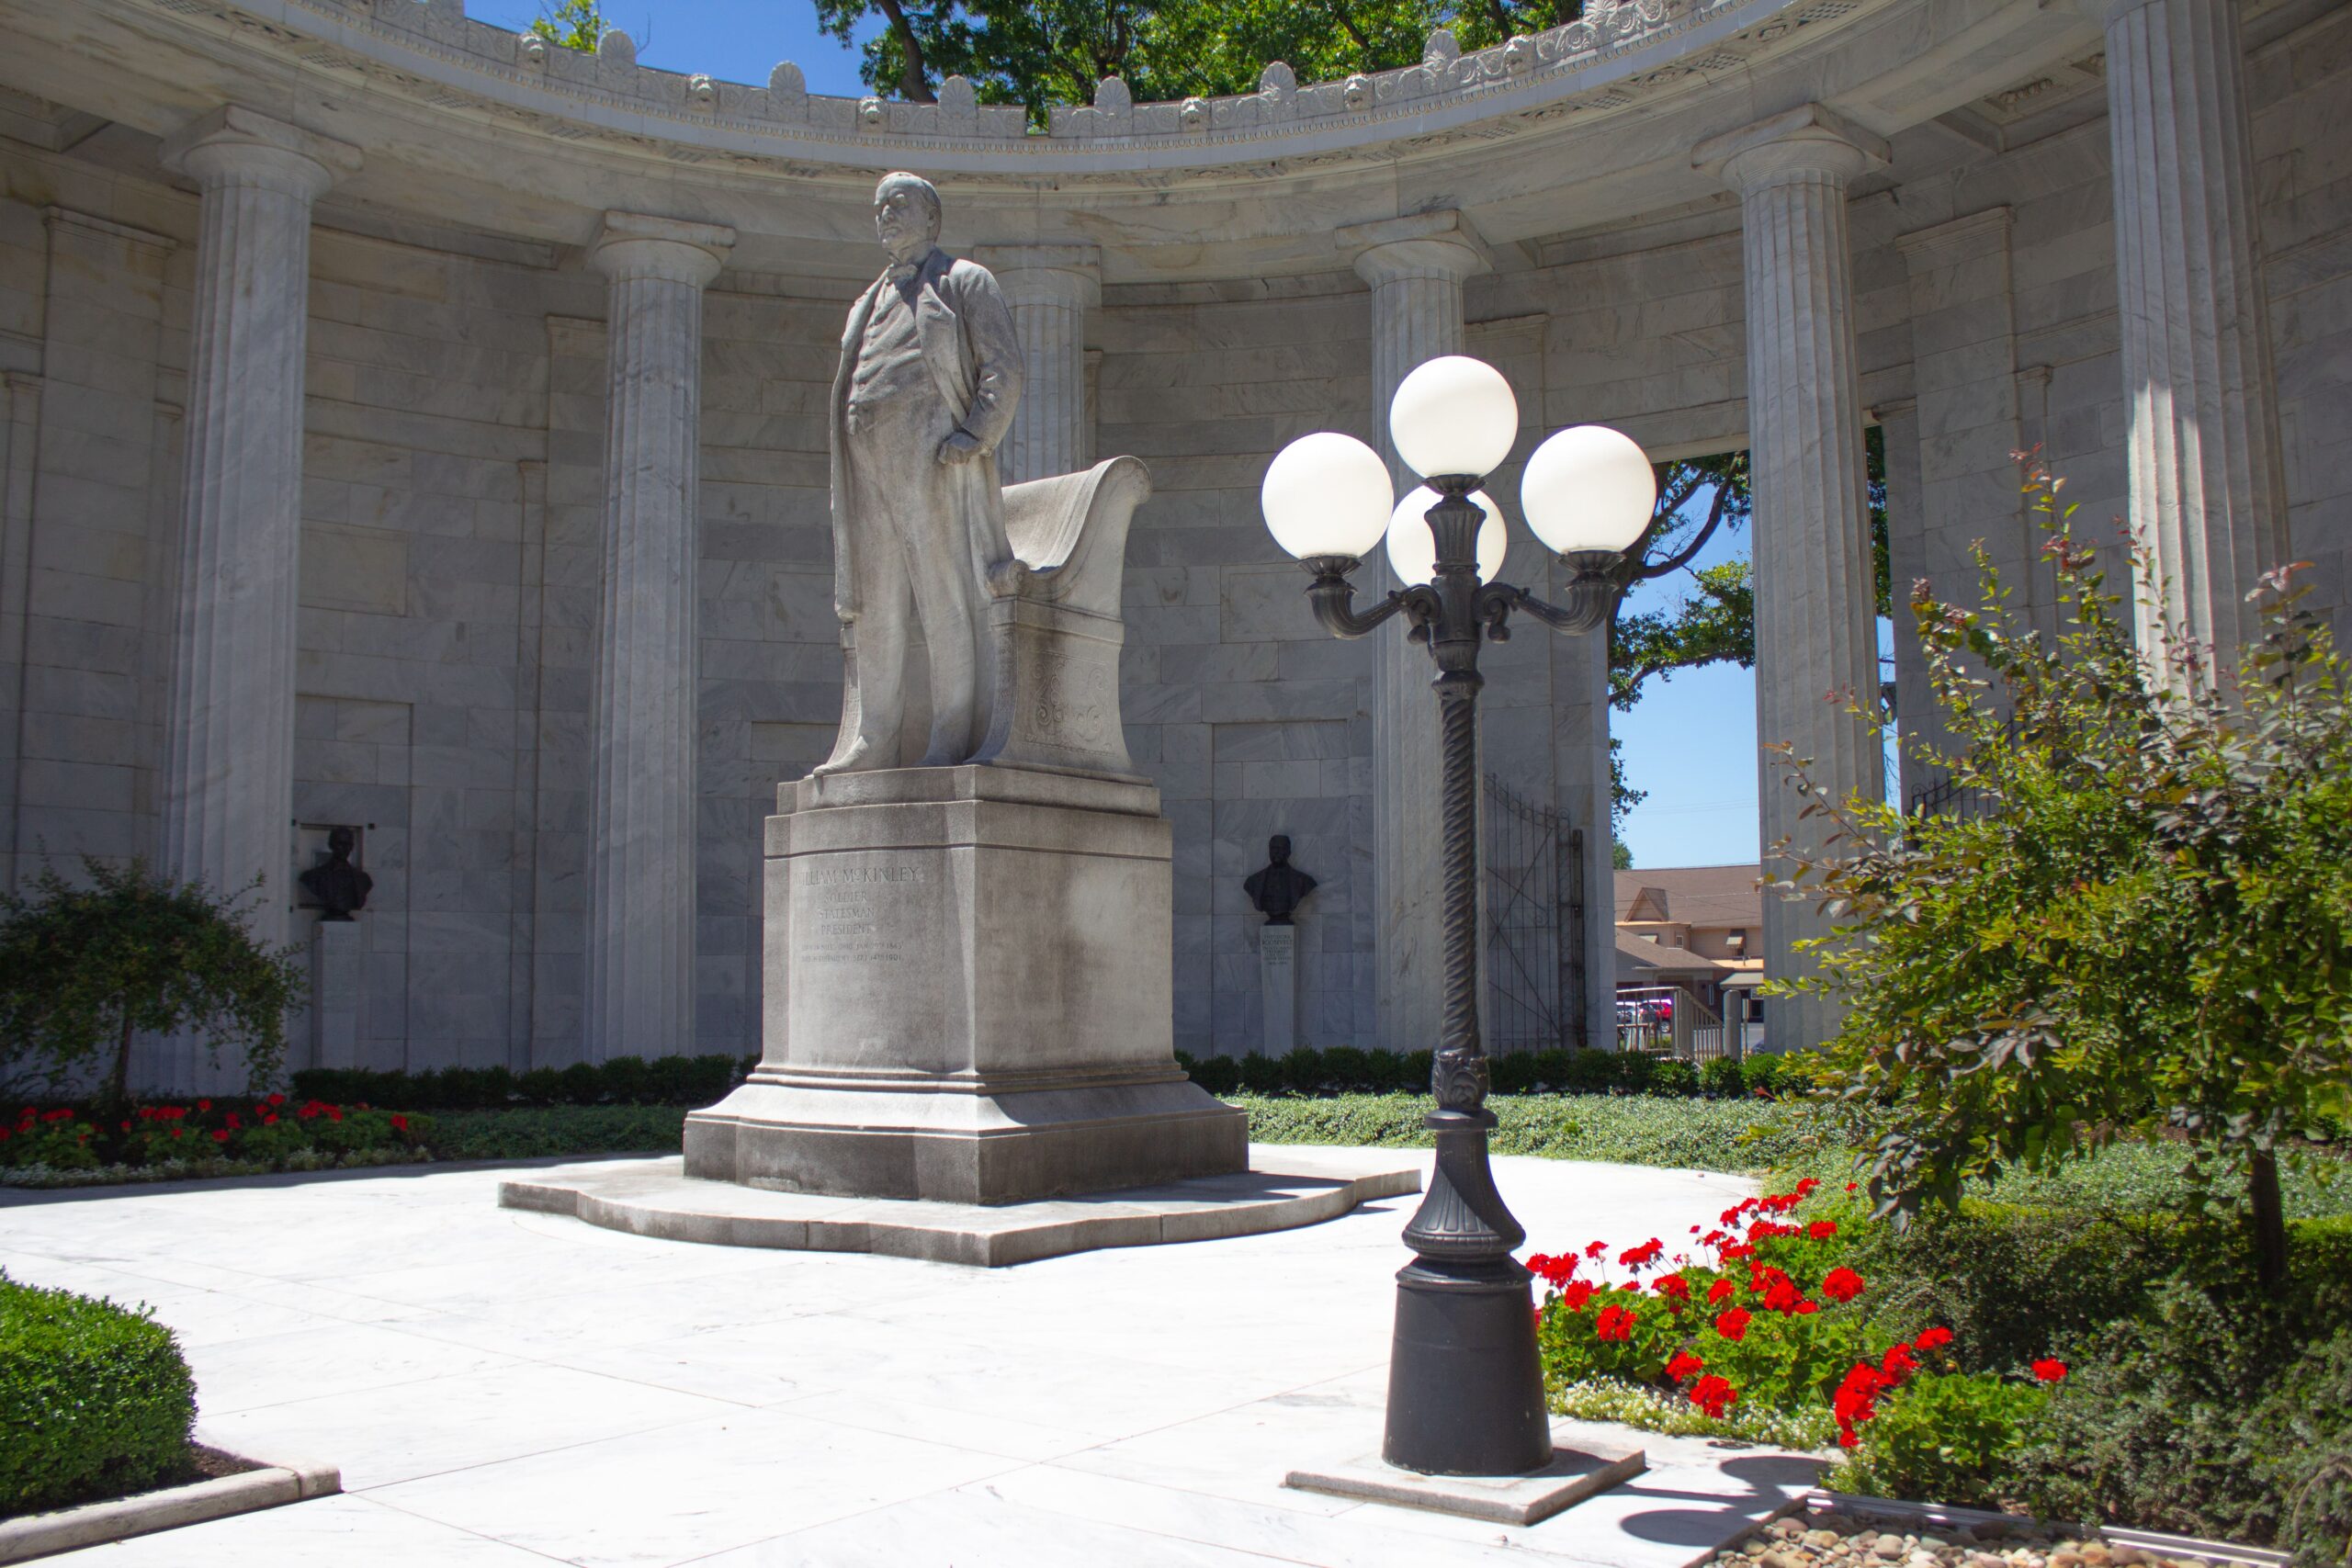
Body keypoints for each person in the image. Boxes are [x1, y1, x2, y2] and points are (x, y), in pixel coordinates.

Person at [814, 171, 1025, 775]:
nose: (886, 215)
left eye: (899, 205)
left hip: (934, 463)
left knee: (942, 595)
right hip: (866, 471)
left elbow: (1003, 367)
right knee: (876, 600)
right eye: (879, 206)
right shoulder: (867, 301)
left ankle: (950, 729)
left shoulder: (963, 282)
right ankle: (874, 734)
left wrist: (974, 433)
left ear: (932, 220)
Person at [1242, 835, 1318, 925]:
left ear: (1288, 852)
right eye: (1273, 848)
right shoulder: (1253, 881)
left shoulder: (1303, 880)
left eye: (1281, 848)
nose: (1276, 852)